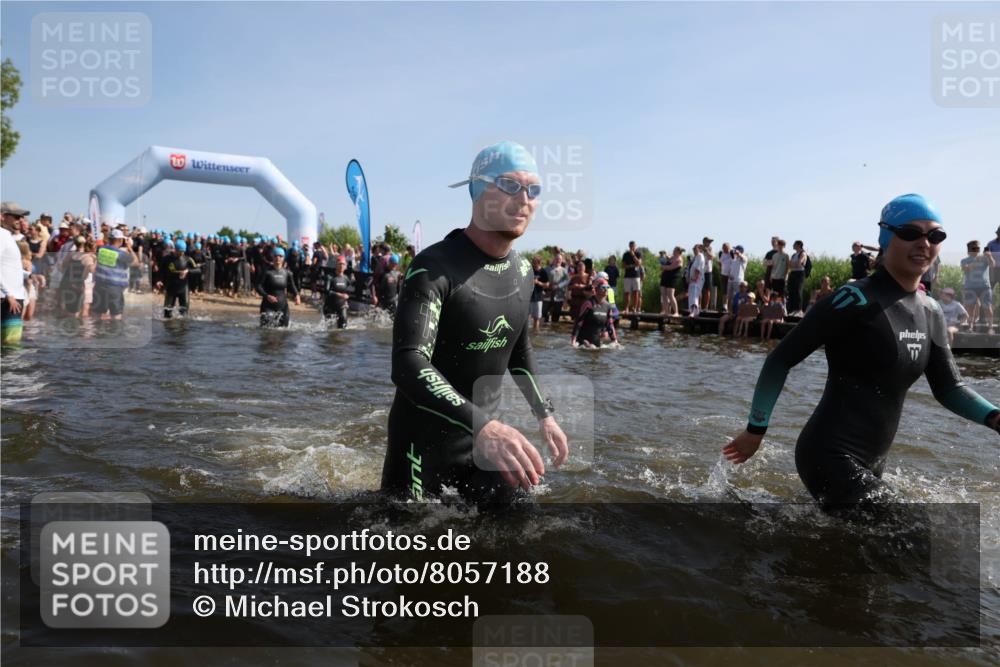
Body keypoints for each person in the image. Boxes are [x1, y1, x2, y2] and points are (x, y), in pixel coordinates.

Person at [723, 194, 1000, 515]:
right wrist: (755, 430)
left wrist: (994, 417)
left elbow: (949, 387)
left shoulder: (932, 311)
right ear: (885, 238)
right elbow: (780, 359)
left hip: (871, 462)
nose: (924, 243)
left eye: (935, 236)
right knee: (918, 532)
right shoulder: (853, 299)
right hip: (828, 455)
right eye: (911, 233)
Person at [381, 140, 569, 503]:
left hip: (491, 446)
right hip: (423, 450)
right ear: (478, 191)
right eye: (511, 185)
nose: (525, 198)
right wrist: (484, 426)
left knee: (521, 536)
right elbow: (408, 363)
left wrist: (545, 415)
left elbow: (519, 349)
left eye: (534, 189)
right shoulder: (434, 268)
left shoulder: (523, 271)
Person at [92, 228, 139, 320]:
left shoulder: (101, 250)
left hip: (99, 286)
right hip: (114, 288)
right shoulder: (121, 254)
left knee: (96, 315)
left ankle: (96, 333)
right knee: (116, 316)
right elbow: (136, 263)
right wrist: (130, 249)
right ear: (120, 240)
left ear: (109, 239)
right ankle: (114, 333)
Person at [1, 202, 30, 345]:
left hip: (11, 298)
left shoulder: (7, 236)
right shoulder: (1, 236)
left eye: (22, 217)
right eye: (17, 217)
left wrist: (28, 275)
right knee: (10, 346)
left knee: (9, 345)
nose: (21, 220)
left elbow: (9, 268)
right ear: (2, 217)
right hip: (8, 299)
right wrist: (8, 294)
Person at [256, 246, 300, 327]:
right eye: (276, 255)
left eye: (280, 256)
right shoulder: (267, 272)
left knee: (284, 332)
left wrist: (297, 295)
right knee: (266, 333)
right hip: (268, 306)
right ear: (272, 257)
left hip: (283, 307)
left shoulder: (287, 273)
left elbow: (292, 286)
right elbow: (258, 286)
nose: (278, 258)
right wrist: (267, 296)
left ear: (283, 258)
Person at [571, 278, 618, 347]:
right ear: (596, 289)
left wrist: (615, 340)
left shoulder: (608, 306)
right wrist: (573, 340)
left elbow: (610, 325)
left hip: (596, 343)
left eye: (607, 287)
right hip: (583, 342)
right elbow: (579, 322)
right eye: (603, 287)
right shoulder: (588, 303)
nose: (606, 290)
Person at [960, 240, 995, 333]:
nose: (976, 250)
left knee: (987, 307)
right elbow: (965, 269)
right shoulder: (964, 260)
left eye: (978, 248)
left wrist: (990, 256)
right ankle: (970, 327)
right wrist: (976, 261)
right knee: (970, 307)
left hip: (985, 286)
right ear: (969, 250)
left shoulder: (985, 258)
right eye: (974, 248)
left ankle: (991, 328)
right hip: (970, 287)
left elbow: (992, 265)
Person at [163, 239, 199, 318]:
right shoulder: (167, 258)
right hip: (171, 288)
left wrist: (187, 271)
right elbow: (161, 270)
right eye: (180, 251)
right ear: (175, 249)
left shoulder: (188, 259)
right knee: (167, 314)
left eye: (183, 251)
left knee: (184, 314)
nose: (182, 253)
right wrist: (158, 280)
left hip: (183, 288)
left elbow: (198, 270)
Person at [323, 255, 353, 328]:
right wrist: (339, 295)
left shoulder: (346, 278)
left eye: (343, 264)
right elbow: (326, 291)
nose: (341, 266)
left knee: (343, 326)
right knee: (330, 331)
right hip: (330, 306)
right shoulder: (330, 277)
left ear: (345, 266)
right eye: (339, 264)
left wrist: (347, 301)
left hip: (342, 306)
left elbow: (349, 292)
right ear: (336, 265)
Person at [543, 253, 568, 323]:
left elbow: (567, 281)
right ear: (553, 259)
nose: (558, 260)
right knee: (544, 314)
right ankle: (543, 331)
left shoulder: (564, 271)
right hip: (547, 295)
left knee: (556, 315)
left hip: (559, 296)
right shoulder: (547, 269)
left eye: (560, 259)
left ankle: (554, 332)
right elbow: (542, 279)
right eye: (557, 259)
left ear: (562, 260)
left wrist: (558, 286)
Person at [659, 247, 683, 316]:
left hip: (672, 278)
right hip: (665, 277)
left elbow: (671, 267)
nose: (673, 251)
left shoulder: (679, 259)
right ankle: (666, 311)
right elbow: (667, 261)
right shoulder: (672, 257)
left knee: (670, 294)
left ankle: (676, 312)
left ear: (678, 251)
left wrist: (663, 267)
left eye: (674, 250)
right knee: (663, 294)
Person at [787, 240, 808, 315]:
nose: (793, 245)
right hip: (793, 273)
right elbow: (789, 265)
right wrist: (794, 264)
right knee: (791, 291)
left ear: (798, 245)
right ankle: (791, 309)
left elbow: (799, 264)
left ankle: (798, 309)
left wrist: (793, 264)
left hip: (799, 274)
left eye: (794, 244)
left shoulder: (803, 253)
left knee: (798, 291)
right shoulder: (794, 255)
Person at [621, 241, 643, 314]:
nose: (632, 248)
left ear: (635, 246)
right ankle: (626, 308)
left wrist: (633, 255)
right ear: (629, 246)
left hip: (636, 276)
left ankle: (634, 308)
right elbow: (623, 266)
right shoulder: (625, 254)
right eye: (631, 246)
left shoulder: (638, 253)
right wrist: (631, 266)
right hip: (627, 276)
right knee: (627, 293)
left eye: (633, 246)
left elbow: (639, 263)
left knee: (636, 292)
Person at [529, 255, 549, 332]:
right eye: (532, 261)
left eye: (534, 261)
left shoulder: (543, 271)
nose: (532, 263)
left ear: (539, 262)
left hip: (538, 297)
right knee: (527, 317)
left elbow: (547, 284)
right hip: (529, 296)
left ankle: (535, 332)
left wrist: (538, 282)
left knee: (536, 317)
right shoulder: (530, 270)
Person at [686, 244, 705, 317]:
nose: (693, 250)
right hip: (692, 279)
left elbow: (698, 268)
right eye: (693, 248)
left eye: (695, 248)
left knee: (694, 294)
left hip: (697, 279)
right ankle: (693, 311)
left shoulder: (700, 256)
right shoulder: (695, 257)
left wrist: (695, 277)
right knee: (691, 294)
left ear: (700, 249)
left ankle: (694, 311)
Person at [701, 237, 715, 311]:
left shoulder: (710, 249)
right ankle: (699, 306)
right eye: (708, 241)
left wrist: (706, 251)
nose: (709, 243)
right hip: (700, 271)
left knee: (707, 290)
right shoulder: (699, 248)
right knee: (699, 289)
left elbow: (711, 257)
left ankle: (706, 307)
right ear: (704, 242)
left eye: (710, 242)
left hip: (708, 272)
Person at [718, 243, 732, 312]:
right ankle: (724, 306)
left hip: (730, 275)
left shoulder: (732, 253)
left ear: (729, 247)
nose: (724, 249)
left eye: (725, 247)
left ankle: (729, 307)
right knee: (724, 291)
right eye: (723, 248)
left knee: (729, 291)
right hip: (723, 274)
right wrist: (720, 271)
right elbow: (720, 263)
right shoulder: (722, 254)